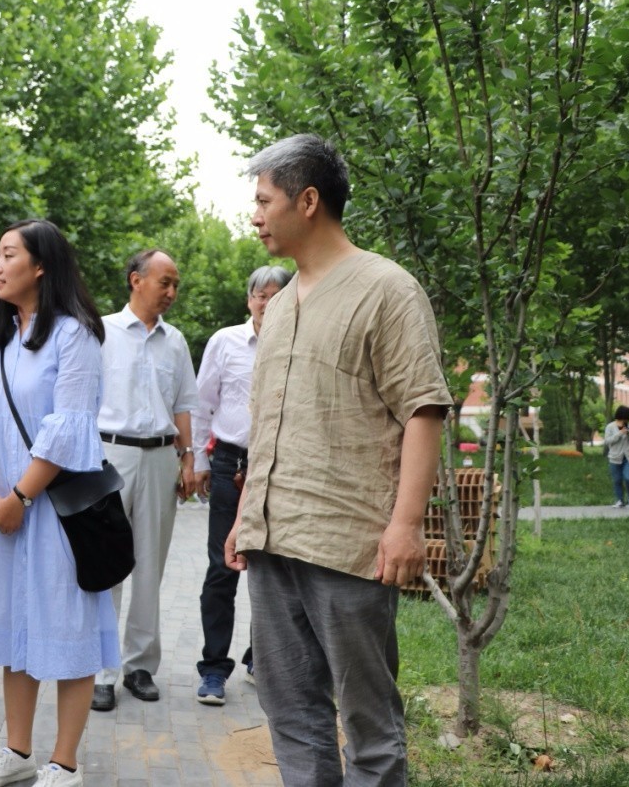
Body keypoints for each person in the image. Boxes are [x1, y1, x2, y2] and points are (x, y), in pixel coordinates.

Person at [224, 135, 451, 786]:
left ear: (308, 200)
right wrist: (244, 515)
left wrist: (404, 525)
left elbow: (422, 410)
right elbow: (268, 423)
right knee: (290, 715)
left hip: (347, 545)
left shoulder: (385, 290)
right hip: (273, 542)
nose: (255, 214)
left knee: (370, 729)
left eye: (264, 200)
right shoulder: (281, 302)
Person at [0, 219, 118, 787]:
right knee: (13, 625)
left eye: (8, 255)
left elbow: (68, 428)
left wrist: (21, 495)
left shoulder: (74, 335)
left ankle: (65, 762)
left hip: (53, 511)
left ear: (41, 265)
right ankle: (18, 750)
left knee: (65, 624)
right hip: (3, 512)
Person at [89, 250, 197, 713]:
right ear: (136, 280)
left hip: (159, 457)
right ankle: (100, 671)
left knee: (150, 565)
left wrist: (189, 458)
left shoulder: (176, 342)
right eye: (164, 283)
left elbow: (184, 405)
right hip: (108, 454)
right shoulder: (100, 333)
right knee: (106, 565)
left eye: (175, 285)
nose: (171, 293)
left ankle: (139, 666)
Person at [190, 264, 292, 705]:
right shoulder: (225, 341)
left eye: (275, 295)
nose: (266, 303)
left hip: (285, 465)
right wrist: (196, 460)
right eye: (259, 295)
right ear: (248, 299)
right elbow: (201, 405)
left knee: (272, 566)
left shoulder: (298, 342)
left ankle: (261, 660)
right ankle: (214, 668)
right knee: (222, 566)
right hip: (232, 462)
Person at [604, 405, 629, 508]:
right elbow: (607, 441)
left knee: (628, 478)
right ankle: (619, 500)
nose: (626, 420)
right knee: (617, 480)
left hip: (628, 457)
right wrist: (619, 433)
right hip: (614, 458)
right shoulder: (610, 427)